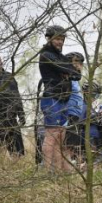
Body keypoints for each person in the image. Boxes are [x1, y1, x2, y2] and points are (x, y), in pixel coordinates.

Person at [39, 25, 81, 171]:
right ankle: (45, 171)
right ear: (49, 38)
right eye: (57, 39)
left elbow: (77, 74)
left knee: (60, 138)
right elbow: (67, 69)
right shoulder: (46, 54)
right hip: (51, 99)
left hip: (63, 100)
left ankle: (57, 172)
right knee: (52, 135)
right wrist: (68, 70)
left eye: (62, 39)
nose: (60, 42)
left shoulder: (61, 56)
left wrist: (69, 70)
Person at [0, 54, 25, 157]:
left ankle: (17, 167)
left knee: (17, 151)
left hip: (11, 119)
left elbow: (16, 96)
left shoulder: (9, 77)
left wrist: (21, 114)